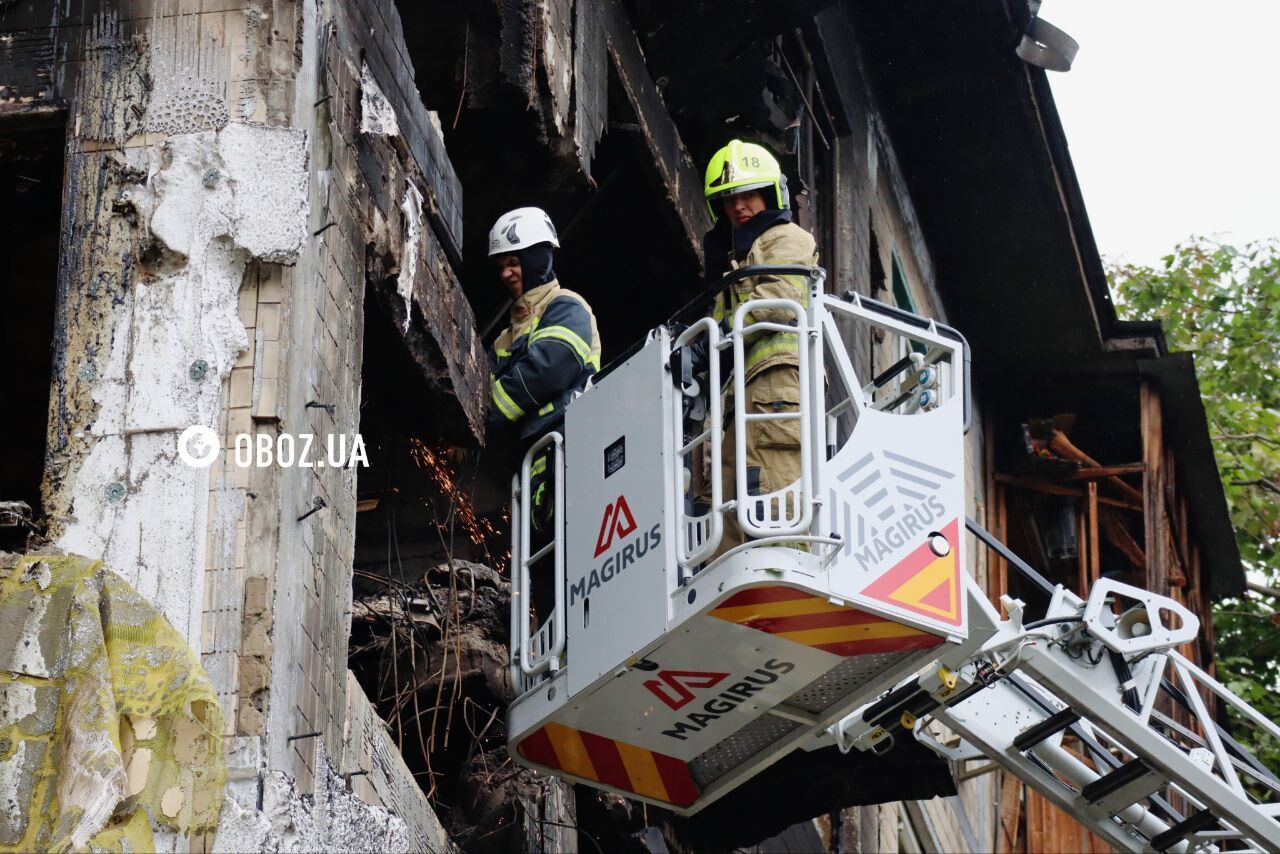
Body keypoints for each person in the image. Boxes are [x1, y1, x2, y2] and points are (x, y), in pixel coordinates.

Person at [699, 140, 818, 553]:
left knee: (773, 494)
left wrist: (720, 333)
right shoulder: (736, 265)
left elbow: (779, 298)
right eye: (729, 199)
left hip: (780, 391)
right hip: (743, 401)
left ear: (769, 194)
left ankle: (783, 566)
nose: (738, 206)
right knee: (729, 504)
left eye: (748, 194)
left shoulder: (787, 237)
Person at [486, 206, 601, 613]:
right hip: (535, 476)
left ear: (537, 258)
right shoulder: (503, 339)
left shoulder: (566, 307)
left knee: (577, 565)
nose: (506, 274)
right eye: (501, 266)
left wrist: (488, 413)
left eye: (514, 262)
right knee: (545, 577)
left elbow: (549, 368)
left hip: (571, 456)